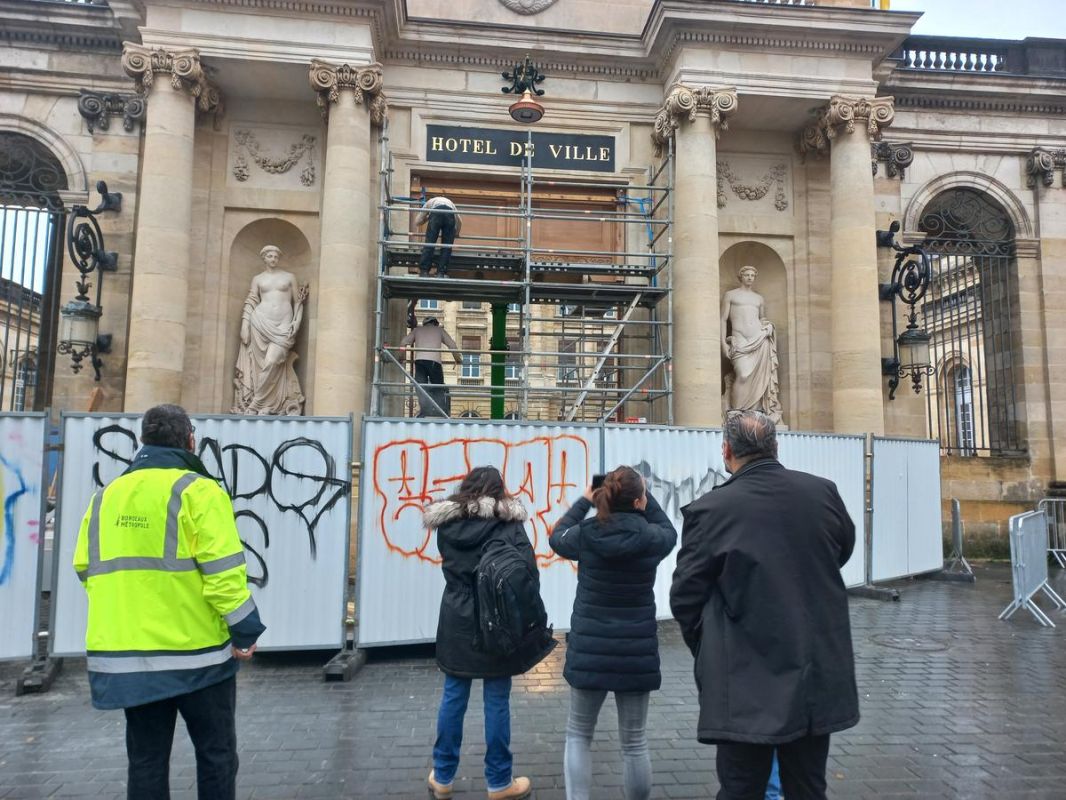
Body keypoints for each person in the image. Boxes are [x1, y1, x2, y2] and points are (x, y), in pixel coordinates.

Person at [73, 404, 266, 800]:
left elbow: (85, 568)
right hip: (197, 657)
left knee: (145, 761)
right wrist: (245, 632)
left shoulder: (105, 496)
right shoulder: (198, 490)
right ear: (190, 440)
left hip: (129, 657)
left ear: (144, 440)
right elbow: (224, 575)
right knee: (216, 756)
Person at [670, 409, 858, 800]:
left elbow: (685, 596)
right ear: (775, 447)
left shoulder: (711, 510)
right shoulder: (822, 492)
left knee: (741, 788)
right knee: (808, 786)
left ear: (726, 452)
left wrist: (706, 644)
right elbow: (842, 550)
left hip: (743, 675)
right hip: (813, 667)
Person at [423, 466, 556, 800]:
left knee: (454, 695)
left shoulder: (448, 525)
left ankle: (442, 776)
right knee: (496, 699)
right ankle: (499, 782)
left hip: (456, 617)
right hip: (499, 622)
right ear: (499, 490)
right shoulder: (509, 525)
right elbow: (527, 574)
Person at [549, 466, 677, 800]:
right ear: (638, 500)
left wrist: (585, 501)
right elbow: (669, 530)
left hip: (590, 647)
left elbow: (556, 537)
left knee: (578, 734)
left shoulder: (588, 533)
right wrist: (645, 499)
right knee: (634, 741)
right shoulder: (651, 537)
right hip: (636, 650)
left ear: (603, 497)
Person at [232, 244, 309, 415]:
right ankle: (267, 404)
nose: (273, 259)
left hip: (283, 325)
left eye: (276, 256)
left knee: (272, 362)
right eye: (270, 256)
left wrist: (296, 323)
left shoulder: (289, 277)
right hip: (259, 323)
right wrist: (245, 324)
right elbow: (251, 300)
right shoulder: (258, 279)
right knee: (260, 367)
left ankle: (256, 404)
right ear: (264, 258)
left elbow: (298, 301)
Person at [721, 265, 782, 423]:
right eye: (747, 275)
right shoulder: (730, 295)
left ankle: (753, 411)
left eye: (752, 275)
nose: (750, 278)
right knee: (743, 374)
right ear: (740, 276)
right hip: (740, 340)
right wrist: (723, 343)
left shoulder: (758, 298)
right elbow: (722, 319)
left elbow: (762, 319)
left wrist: (768, 326)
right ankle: (737, 412)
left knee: (758, 376)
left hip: (759, 339)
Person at [398, 317, 462, 416]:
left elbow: (403, 343)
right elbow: (452, 345)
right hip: (434, 362)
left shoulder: (417, 330)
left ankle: (424, 411)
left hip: (419, 362)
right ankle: (441, 411)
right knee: (438, 386)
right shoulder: (439, 330)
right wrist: (457, 359)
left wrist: (401, 357)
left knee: (421, 387)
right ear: (435, 323)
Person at [417, 195, 463, 277]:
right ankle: (441, 272)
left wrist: (428, 217)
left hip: (436, 212)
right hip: (450, 214)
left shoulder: (430, 202)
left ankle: (424, 271)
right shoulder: (450, 202)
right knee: (446, 246)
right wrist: (456, 233)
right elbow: (459, 221)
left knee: (430, 243)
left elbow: (417, 222)